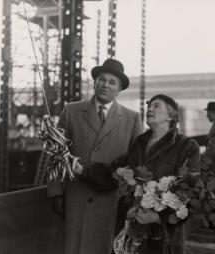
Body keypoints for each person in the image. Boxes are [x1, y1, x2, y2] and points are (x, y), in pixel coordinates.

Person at [75, 94, 200, 254]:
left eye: (156, 106)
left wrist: (158, 217)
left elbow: (192, 192)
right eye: (149, 106)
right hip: (131, 226)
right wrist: (83, 171)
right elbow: (114, 172)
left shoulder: (186, 146)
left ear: (171, 116)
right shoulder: (140, 143)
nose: (150, 109)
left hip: (163, 234)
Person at [47, 58, 143, 254]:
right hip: (76, 197)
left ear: (119, 89)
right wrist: (55, 191)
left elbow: (138, 163)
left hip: (110, 200)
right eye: (102, 79)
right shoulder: (71, 110)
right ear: (95, 82)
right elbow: (55, 153)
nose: (105, 85)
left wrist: (133, 201)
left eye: (112, 82)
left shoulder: (132, 119)